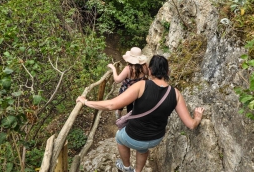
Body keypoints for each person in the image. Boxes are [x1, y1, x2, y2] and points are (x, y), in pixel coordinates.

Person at [76, 55, 205, 172]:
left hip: (133, 136)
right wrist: (197, 117)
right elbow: (191, 124)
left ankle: (126, 167)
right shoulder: (176, 93)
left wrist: (86, 101)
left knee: (119, 137)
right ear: (167, 72)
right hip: (155, 139)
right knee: (143, 148)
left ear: (150, 70)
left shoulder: (142, 85)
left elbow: (111, 105)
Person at [107, 47, 148, 119]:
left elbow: (117, 80)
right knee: (133, 106)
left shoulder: (128, 69)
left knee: (123, 100)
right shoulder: (144, 67)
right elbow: (148, 74)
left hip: (127, 90)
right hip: (139, 90)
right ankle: (131, 118)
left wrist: (113, 68)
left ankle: (119, 114)